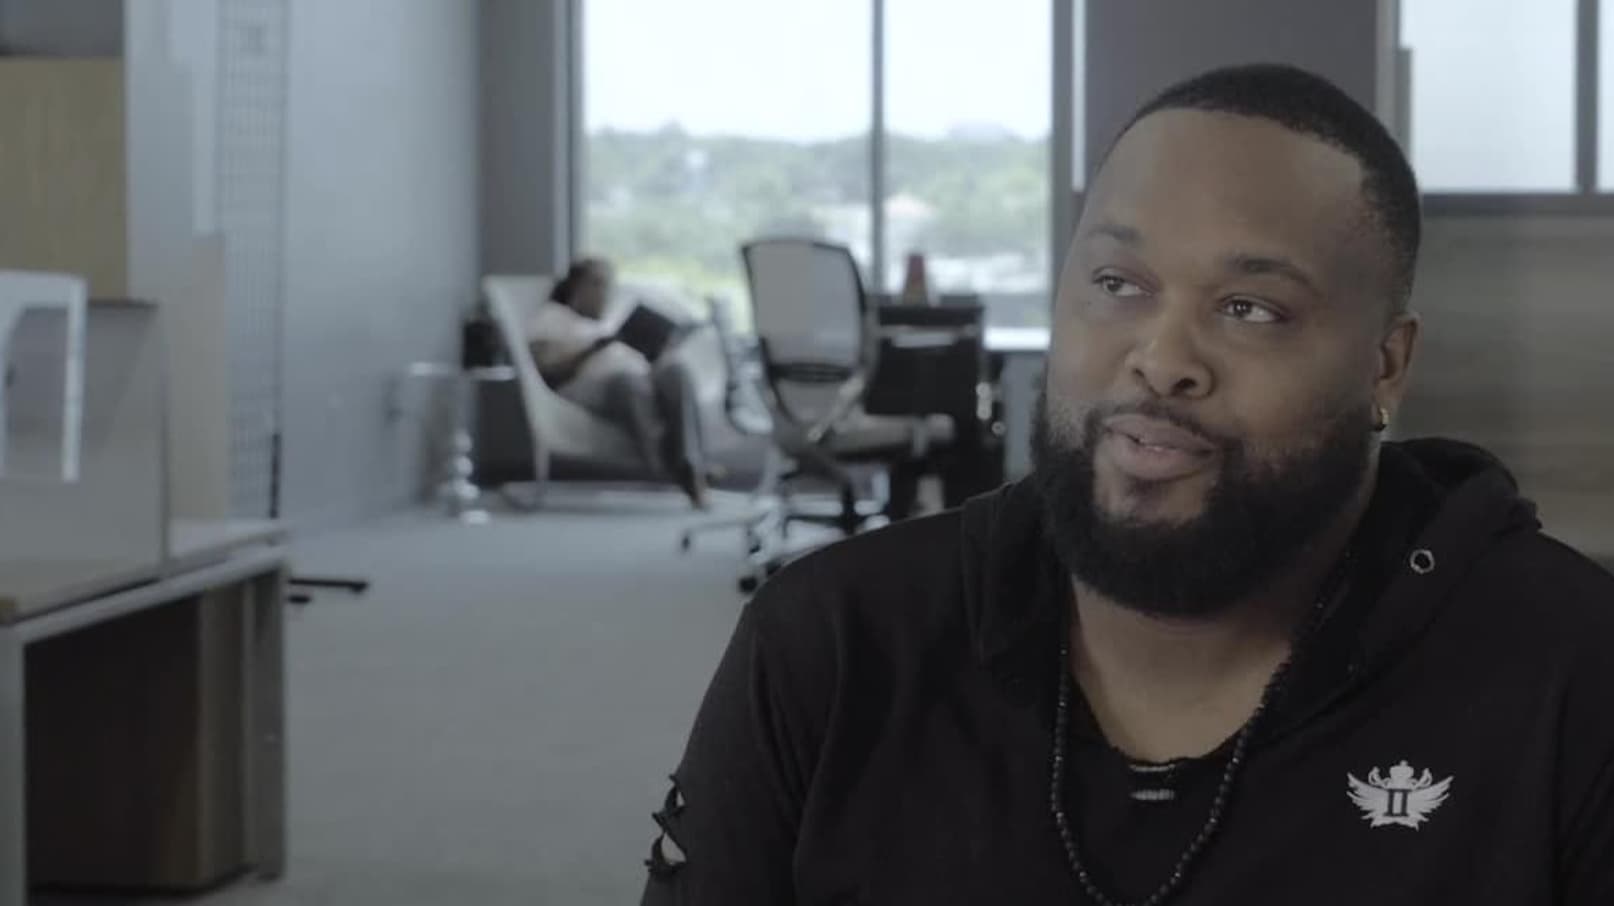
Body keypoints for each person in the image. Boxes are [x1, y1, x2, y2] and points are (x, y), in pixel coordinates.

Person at [638, 64, 1614, 904]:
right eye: (1117, 285)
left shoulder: (1569, 670)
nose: (1162, 359)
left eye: (1250, 307)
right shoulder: (832, 645)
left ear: (1385, 368)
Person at [528, 258, 709, 508]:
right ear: (576, 286)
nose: (604, 292)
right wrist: (593, 349)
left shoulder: (610, 321)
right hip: (587, 385)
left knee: (676, 371)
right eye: (596, 283)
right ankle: (667, 466)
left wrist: (660, 346)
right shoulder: (552, 317)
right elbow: (547, 372)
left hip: (640, 377)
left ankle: (691, 463)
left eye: (607, 285)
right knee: (629, 383)